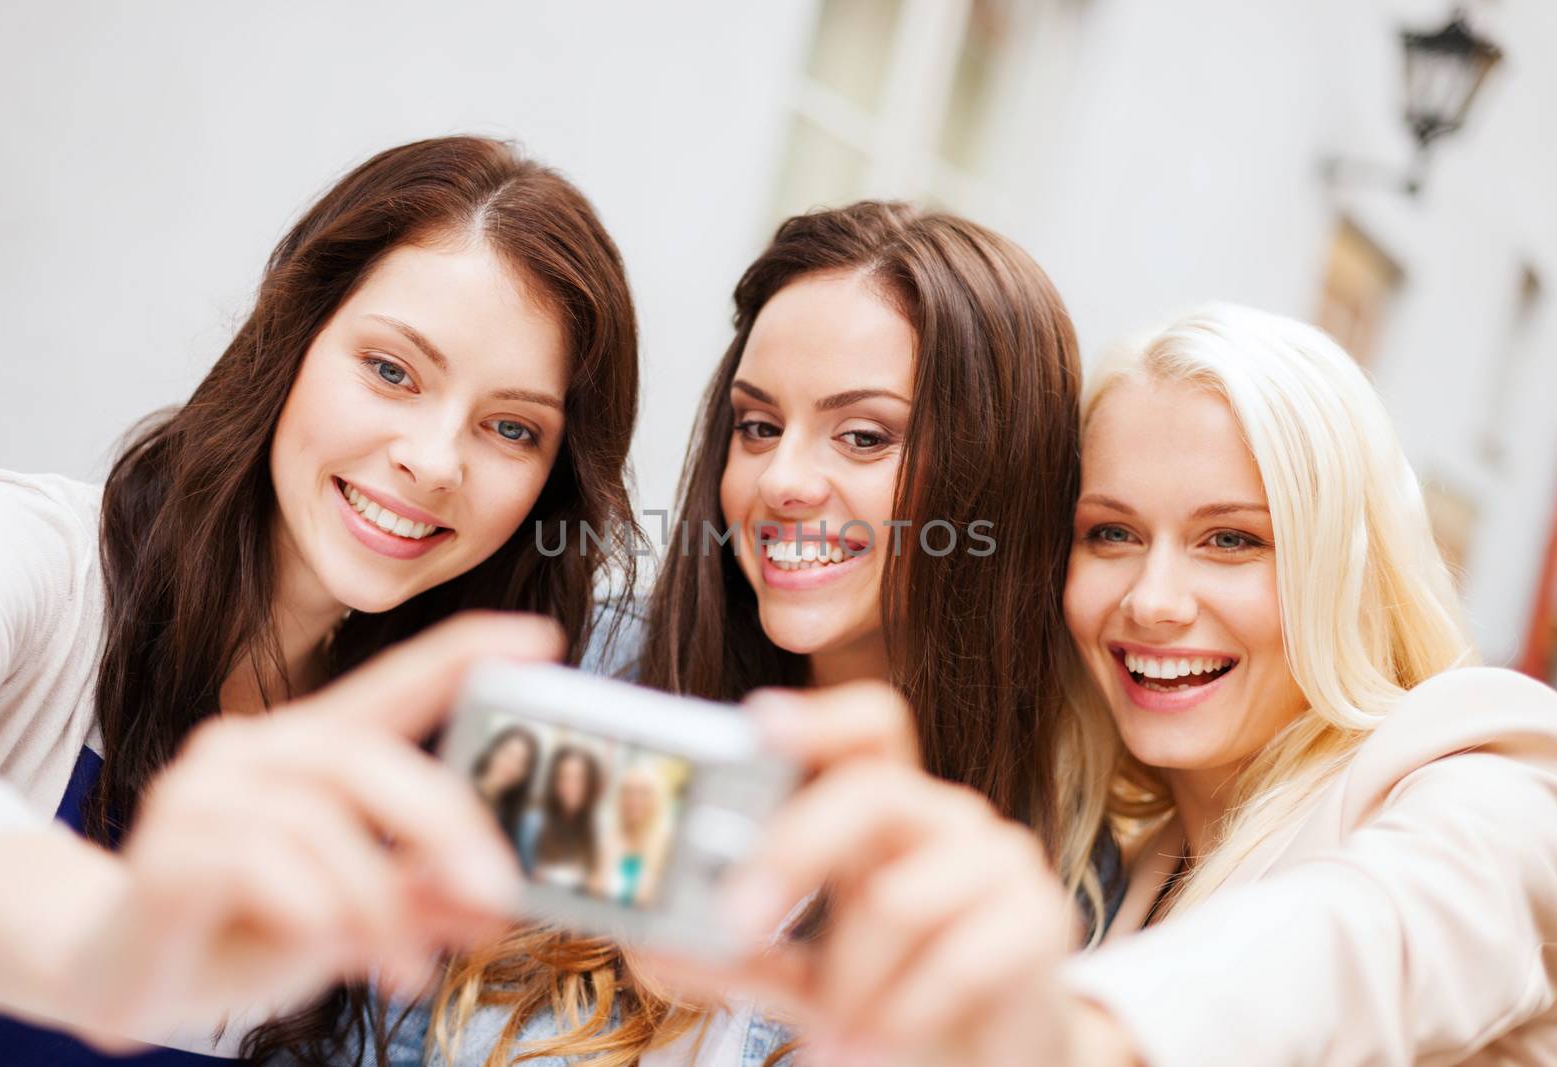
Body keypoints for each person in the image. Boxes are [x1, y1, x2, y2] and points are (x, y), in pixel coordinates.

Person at [712, 304, 1557, 1067]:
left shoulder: (1477, 764)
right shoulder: (1122, 872)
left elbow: (1369, 937)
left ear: (1344, 566)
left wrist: (1076, 1033)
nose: (1151, 602)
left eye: (1230, 540)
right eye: (1112, 532)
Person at [0, 134, 642, 1065]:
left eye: (511, 427)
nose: (435, 461)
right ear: (292, 338)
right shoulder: (28, 555)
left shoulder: (481, 741)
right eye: (393, 370)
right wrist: (108, 936)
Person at [418, 201, 1106, 1067]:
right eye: (758, 425)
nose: (781, 480)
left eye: (863, 436)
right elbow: (409, 1014)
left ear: (994, 475)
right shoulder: (601, 681)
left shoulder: (1056, 882)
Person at [518, 745, 604, 892]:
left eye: (579, 779)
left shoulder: (597, 830)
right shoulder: (532, 824)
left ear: (591, 784)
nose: (570, 786)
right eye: (563, 778)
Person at [602, 765, 675, 907]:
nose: (634, 799)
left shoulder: (667, 848)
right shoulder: (604, 838)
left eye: (644, 793)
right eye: (628, 791)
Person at [473, 725, 541, 851]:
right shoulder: (459, 796)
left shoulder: (512, 820)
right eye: (508, 754)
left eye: (521, 763)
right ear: (493, 751)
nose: (511, 766)